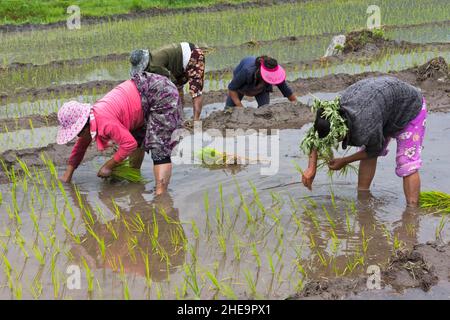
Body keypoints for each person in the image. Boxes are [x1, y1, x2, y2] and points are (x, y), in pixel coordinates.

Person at [301, 76, 427, 206]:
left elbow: (374, 151)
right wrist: (312, 167)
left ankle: (412, 213)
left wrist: (344, 161)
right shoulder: (330, 113)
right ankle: (363, 198)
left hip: (409, 108)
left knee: (406, 162)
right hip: (382, 106)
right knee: (369, 143)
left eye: (334, 139)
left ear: (342, 132)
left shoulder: (364, 124)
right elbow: (314, 136)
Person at [56, 71, 183, 195]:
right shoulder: (92, 119)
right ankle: (135, 177)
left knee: (159, 149)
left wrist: (109, 166)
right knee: (137, 137)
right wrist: (67, 175)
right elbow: (80, 147)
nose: (78, 137)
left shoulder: (104, 122)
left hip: (160, 93)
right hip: (142, 97)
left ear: (84, 126)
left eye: (77, 133)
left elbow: (129, 144)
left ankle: (161, 197)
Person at [130, 43, 205, 121]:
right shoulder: (151, 60)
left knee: (195, 91)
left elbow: (171, 81)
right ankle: (180, 115)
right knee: (178, 87)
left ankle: (196, 122)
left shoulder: (154, 66)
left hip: (193, 55)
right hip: (180, 61)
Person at [224, 55, 297, 110]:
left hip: (262, 89)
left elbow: (286, 90)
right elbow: (232, 88)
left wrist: (296, 103)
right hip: (242, 86)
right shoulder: (246, 72)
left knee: (264, 110)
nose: (271, 78)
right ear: (260, 71)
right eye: (269, 76)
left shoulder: (274, 75)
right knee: (229, 110)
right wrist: (240, 107)